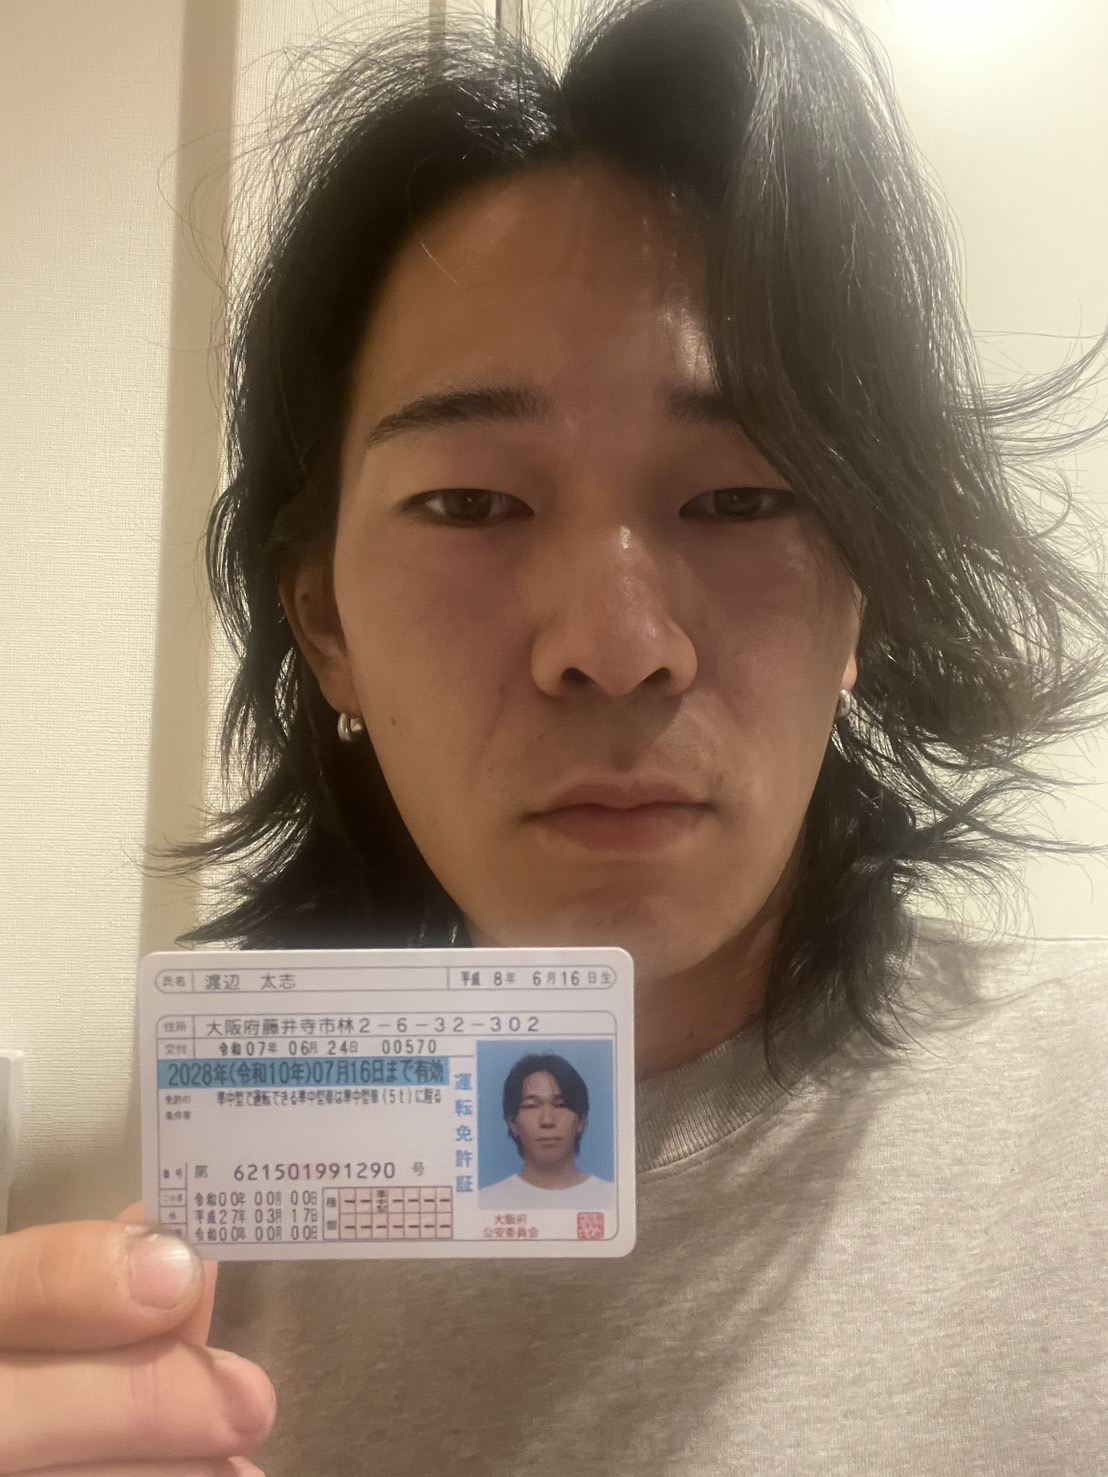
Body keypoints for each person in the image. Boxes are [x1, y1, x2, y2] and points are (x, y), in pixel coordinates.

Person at [2, 0, 1107, 1471]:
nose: (616, 642)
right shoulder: (164, 1258)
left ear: (861, 599)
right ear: (325, 626)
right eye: (470, 502)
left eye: (739, 497)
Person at [481, 1052, 615, 1209]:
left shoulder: (612, 1199)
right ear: (513, 1123)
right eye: (531, 1106)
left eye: (560, 1105)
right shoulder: (486, 1202)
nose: (547, 1120)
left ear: (581, 1121)